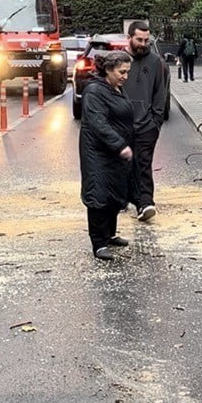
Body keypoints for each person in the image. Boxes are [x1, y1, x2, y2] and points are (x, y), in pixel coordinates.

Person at [79, 51, 135, 260]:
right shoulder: (94, 91)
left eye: (127, 72)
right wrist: (120, 145)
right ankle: (99, 244)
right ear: (109, 70)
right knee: (99, 194)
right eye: (122, 72)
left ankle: (110, 234)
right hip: (97, 152)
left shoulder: (116, 88)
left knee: (114, 192)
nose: (125, 77)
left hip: (114, 152)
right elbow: (98, 123)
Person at [122, 21, 169, 222]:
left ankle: (145, 202)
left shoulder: (156, 62)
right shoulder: (119, 61)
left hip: (146, 126)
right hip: (121, 125)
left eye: (146, 40)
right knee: (123, 163)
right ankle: (123, 197)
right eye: (139, 40)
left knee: (143, 163)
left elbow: (160, 94)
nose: (143, 44)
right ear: (129, 38)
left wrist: (155, 122)